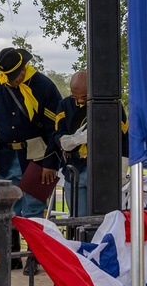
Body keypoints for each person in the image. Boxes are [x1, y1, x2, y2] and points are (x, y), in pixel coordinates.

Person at [0, 47, 64, 275]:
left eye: (15, 74)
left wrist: (50, 162)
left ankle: (35, 257)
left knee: (34, 209)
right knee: (10, 209)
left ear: (24, 68)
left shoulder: (45, 86)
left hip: (38, 156)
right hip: (6, 157)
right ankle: (12, 257)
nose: (13, 79)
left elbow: (56, 128)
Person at [55, 70, 129, 217]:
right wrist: (77, 139)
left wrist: (120, 170)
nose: (80, 101)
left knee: (103, 217)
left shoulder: (112, 105)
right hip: (75, 166)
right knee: (77, 218)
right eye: (75, 96)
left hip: (102, 167)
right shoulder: (64, 105)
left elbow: (122, 138)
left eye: (83, 96)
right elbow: (58, 136)